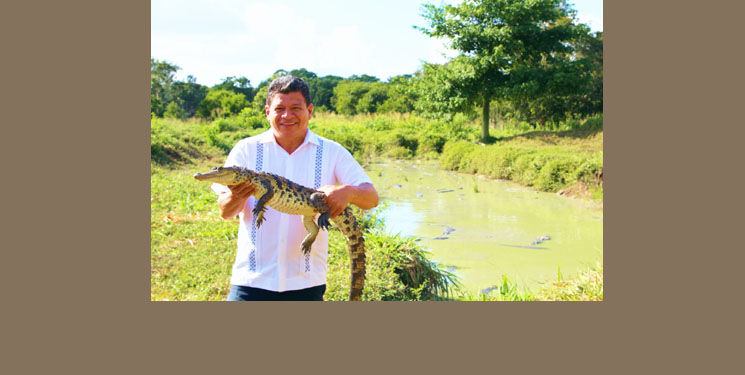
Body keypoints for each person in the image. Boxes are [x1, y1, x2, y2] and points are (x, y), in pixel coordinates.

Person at [211, 75, 379, 301]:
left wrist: (347, 192)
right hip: (250, 281)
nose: (287, 115)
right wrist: (235, 196)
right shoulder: (245, 150)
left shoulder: (332, 151)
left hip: (306, 284)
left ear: (309, 111)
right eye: (280, 108)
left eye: (296, 108)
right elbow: (225, 212)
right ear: (268, 112)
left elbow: (371, 198)